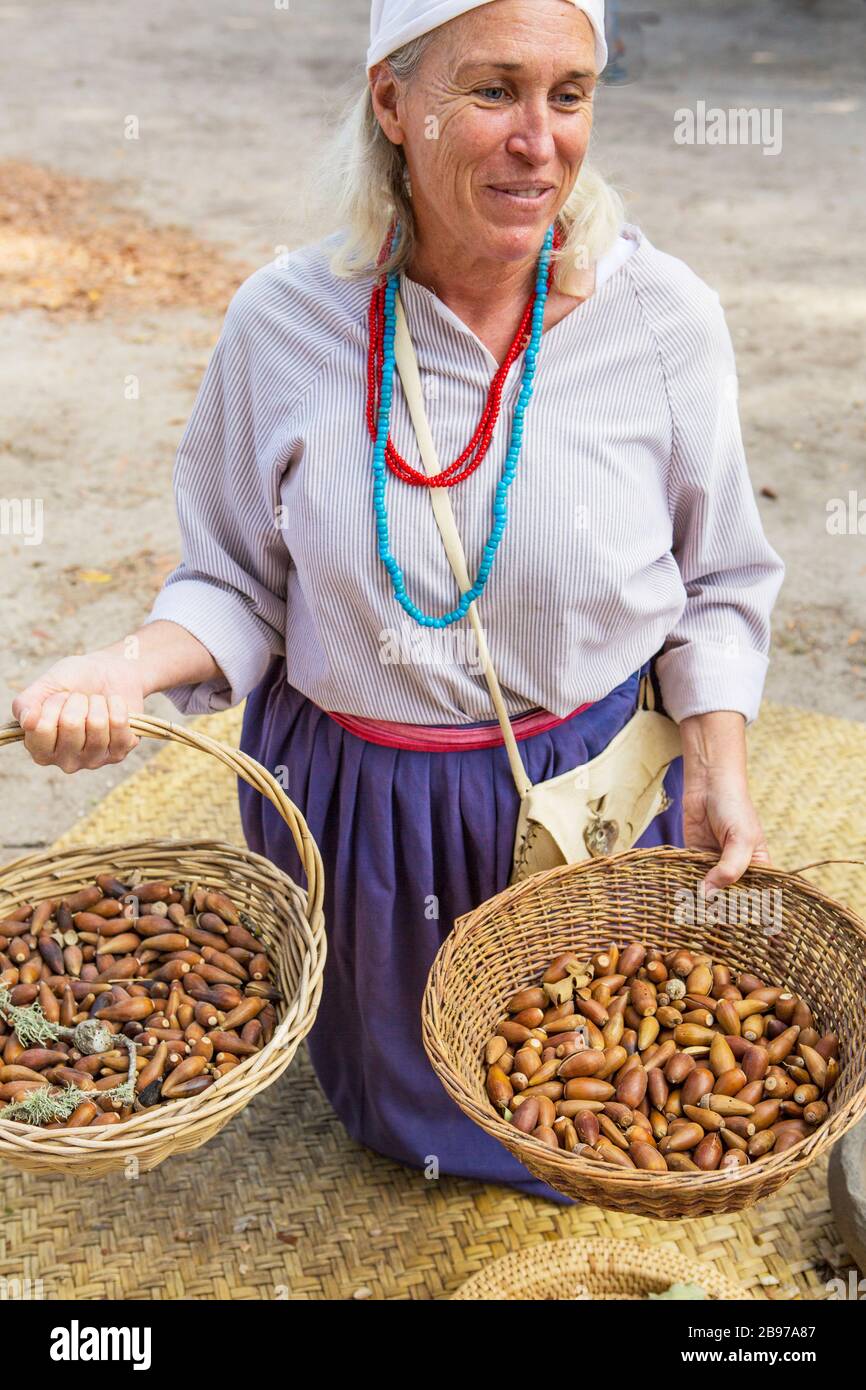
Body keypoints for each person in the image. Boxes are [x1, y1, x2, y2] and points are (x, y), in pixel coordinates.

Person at [12, 0, 785, 1200]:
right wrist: (120, 668)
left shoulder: (657, 320)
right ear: (391, 102)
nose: (540, 140)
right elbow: (229, 583)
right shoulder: (287, 321)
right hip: (362, 813)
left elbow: (722, 581)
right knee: (400, 1119)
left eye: (568, 94)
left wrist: (718, 766)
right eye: (491, 91)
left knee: (592, 1088)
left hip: (581, 808)